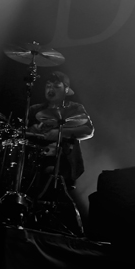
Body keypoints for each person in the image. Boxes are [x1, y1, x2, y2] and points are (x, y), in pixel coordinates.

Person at [26, 70, 94, 235]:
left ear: (66, 89)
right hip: (35, 159)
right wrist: (33, 130)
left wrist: (60, 133)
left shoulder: (75, 108)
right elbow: (23, 132)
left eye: (56, 86)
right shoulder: (35, 109)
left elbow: (88, 130)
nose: (51, 89)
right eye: (48, 86)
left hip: (64, 161)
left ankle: (74, 229)